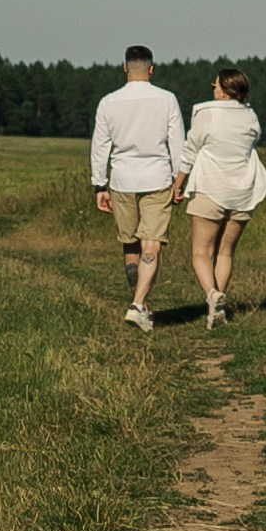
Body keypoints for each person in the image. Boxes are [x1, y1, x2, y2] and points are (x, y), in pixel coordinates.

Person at [90, 47, 189, 331]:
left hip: (122, 180)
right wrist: (178, 181)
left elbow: (100, 146)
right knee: (152, 243)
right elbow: (178, 144)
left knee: (130, 243)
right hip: (157, 178)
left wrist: (100, 184)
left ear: (125, 68)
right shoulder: (166, 99)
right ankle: (138, 305)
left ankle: (140, 304)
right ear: (151, 69)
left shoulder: (109, 102)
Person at [178, 68, 266, 328]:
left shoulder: (207, 114)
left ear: (223, 89)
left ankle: (212, 294)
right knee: (225, 252)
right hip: (242, 191)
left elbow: (189, 153)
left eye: (215, 85)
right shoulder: (250, 116)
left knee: (200, 252)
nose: (213, 88)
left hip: (210, 187)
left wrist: (177, 185)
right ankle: (217, 309)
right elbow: (253, 141)